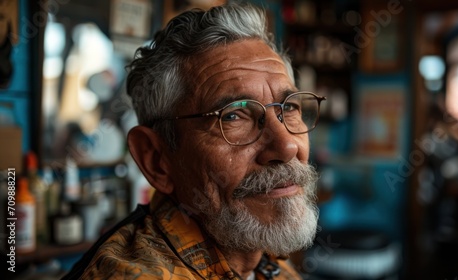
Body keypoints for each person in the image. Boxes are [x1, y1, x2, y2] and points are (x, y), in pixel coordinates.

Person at [63, 3, 326, 279]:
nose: (287, 147)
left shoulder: (265, 260)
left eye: (290, 108)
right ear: (156, 160)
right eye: (234, 116)